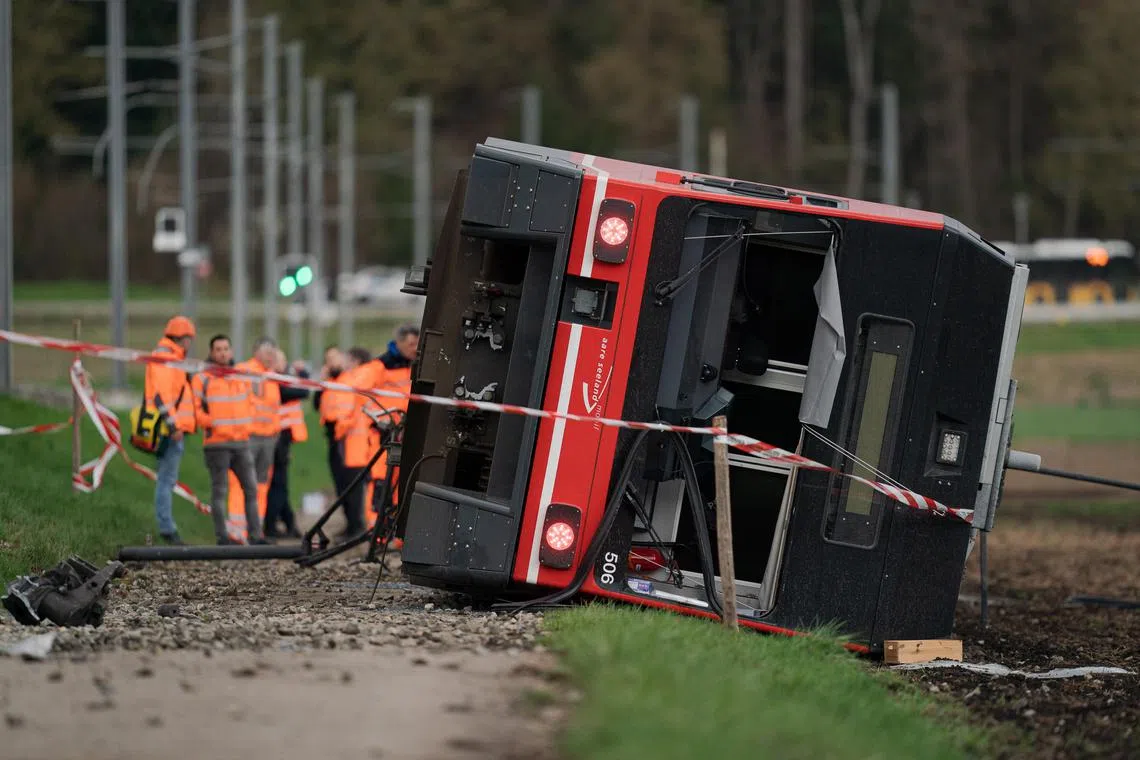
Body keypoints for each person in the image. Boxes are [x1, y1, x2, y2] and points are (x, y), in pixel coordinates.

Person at [191, 334, 265, 545]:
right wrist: (212, 423)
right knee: (219, 491)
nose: (223, 353)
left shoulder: (240, 375)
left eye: (226, 348)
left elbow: (250, 402)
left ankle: (256, 535)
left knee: (251, 488)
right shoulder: (202, 378)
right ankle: (222, 537)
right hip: (217, 444)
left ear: (231, 351)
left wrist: (247, 425)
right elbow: (194, 410)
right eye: (218, 349)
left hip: (241, 442)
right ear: (211, 353)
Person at [236, 337, 306, 520]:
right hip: (250, 435)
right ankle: (242, 526)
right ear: (256, 352)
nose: (271, 357)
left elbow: (273, 408)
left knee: (262, 484)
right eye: (268, 353)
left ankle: (257, 527)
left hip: (269, 438)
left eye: (273, 354)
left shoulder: (271, 376)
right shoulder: (247, 371)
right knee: (247, 483)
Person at [144, 316, 197, 545]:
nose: (190, 344)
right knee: (166, 480)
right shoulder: (167, 358)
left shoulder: (171, 357)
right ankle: (167, 529)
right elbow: (161, 395)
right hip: (169, 430)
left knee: (166, 479)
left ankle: (167, 526)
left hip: (171, 428)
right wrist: (173, 424)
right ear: (181, 338)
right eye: (189, 339)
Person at [368, 324, 420, 536]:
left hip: (408, 431)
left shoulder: (417, 365)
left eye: (417, 344)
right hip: (385, 434)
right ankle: (377, 532)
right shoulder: (380, 366)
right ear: (398, 343)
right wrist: (381, 422)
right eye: (410, 344)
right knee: (382, 483)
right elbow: (364, 395)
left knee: (404, 483)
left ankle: (398, 534)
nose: (415, 348)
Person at [327, 347, 374, 540]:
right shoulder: (363, 377)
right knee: (355, 486)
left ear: (355, 361)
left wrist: (338, 431)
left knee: (353, 486)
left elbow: (347, 413)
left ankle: (356, 526)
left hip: (353, 441)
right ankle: (355, 525)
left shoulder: (354, 380)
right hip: (360, 440)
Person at [265, 349, 310, 539]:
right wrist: (303, 374)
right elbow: (303, 391)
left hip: (281, 438)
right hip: (277, 438)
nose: (286, 364)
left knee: (280, 483)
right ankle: (270, 525)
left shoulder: (277, 380)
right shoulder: (275, 381)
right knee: (278, 484)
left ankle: (289, 524)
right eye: (283, 360)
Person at [312, 346, 345, 492]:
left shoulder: (349, 379)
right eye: (328, 360)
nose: (331, 363)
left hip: (347, 436)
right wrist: (322, 384)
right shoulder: (327, 382)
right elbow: (316, 405)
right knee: (338, 479)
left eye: (334, 358)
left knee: (349, 481)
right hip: (332, 435)